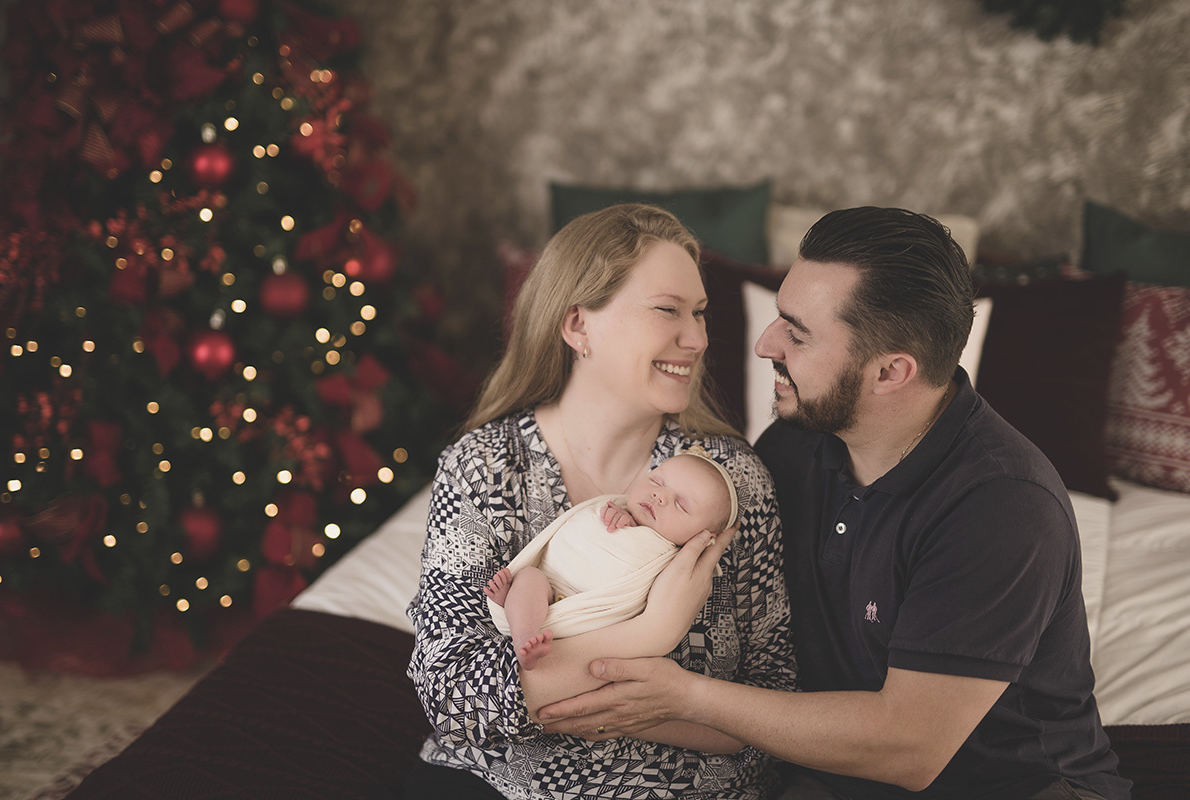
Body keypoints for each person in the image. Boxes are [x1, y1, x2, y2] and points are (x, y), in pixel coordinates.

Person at [536, 207, 1131, 800]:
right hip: (834, 775)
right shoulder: (793, 446)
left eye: (797, 334)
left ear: (890, 372)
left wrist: (686, 698)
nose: (765, 344)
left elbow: (909, 747)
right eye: (778, 316)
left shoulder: (1003, 507)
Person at [405, 203, 795, 799]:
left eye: (699, 312)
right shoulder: (483, 467)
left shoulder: (731, 482)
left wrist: (617, 710)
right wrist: (651, 635)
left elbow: (773, 705)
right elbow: (453, 697)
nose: (697, 338)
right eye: (668, 309)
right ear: (577, 325)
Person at [485, 448, 741, 669]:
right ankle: (524, 636)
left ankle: (520, 614)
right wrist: (614, 519)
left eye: (681, 505)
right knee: (529, 577)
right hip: (550, 586)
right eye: (656, 481)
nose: (659, 495)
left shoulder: (679, 564)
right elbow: (585, 532)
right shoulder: (616, 509)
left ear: (704, 537)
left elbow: (662, 601)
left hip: (597, 623)